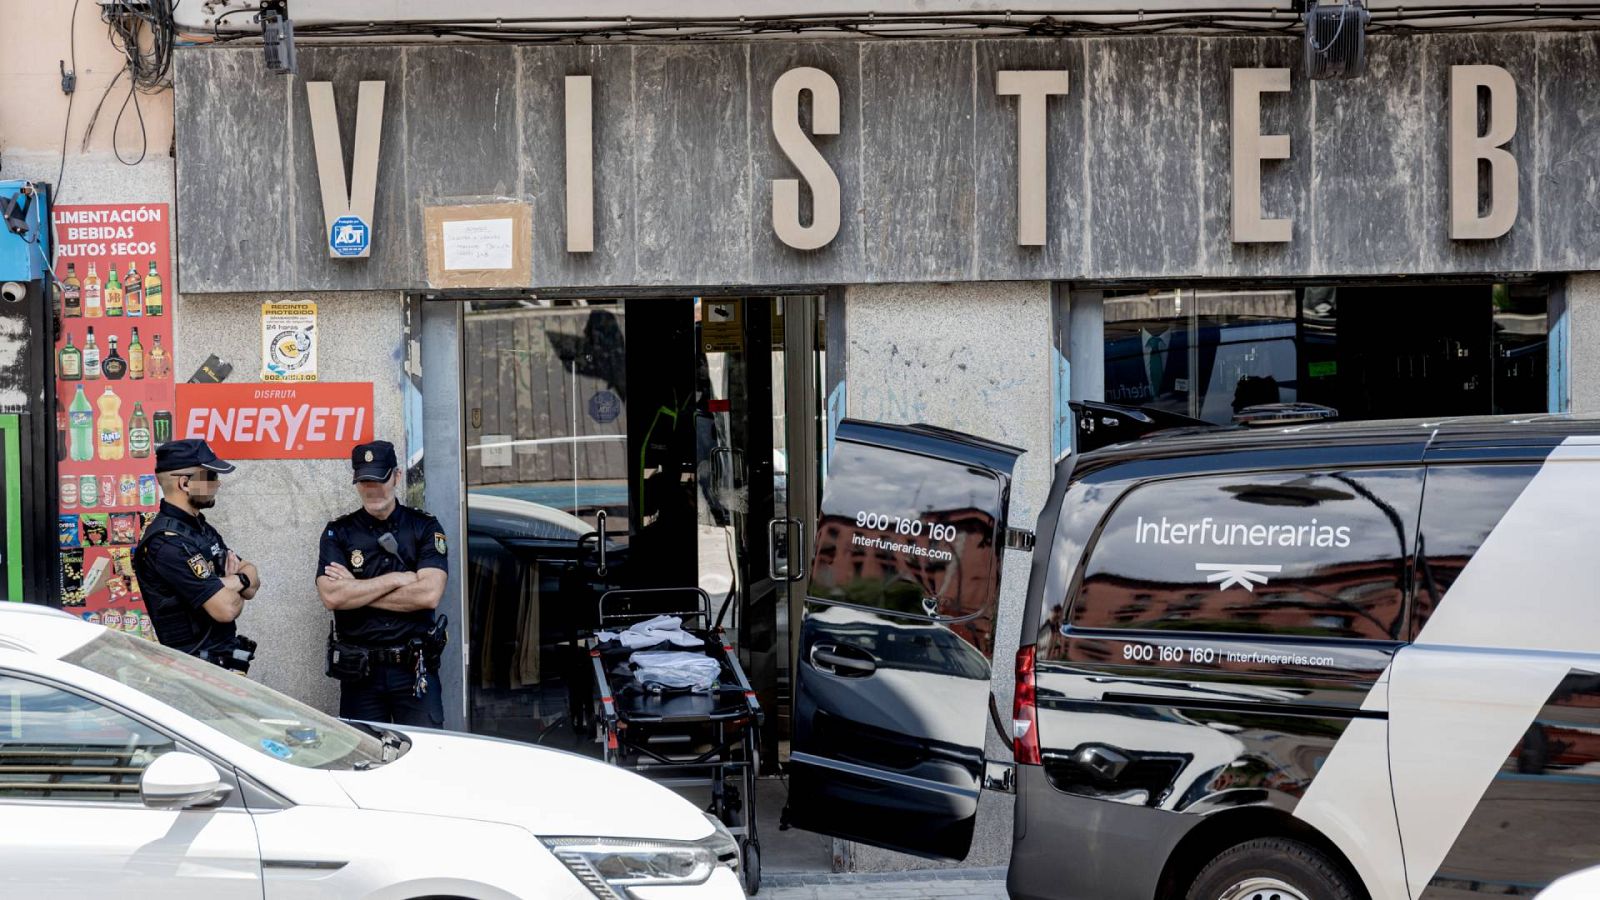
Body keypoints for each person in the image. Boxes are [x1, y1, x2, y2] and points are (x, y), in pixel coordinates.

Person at [316, 440, 449, 727]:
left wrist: (357, 589)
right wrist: (396, 579)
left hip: (413, 670)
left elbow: (428, 594)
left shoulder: (424, 526)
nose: (372, 488)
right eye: (365, 481)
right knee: (364, 752)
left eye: (379, 479)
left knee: (425, 750)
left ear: (397, 476)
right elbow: (332, 597)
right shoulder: (338, 532)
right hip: (360, 673)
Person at [133, 438, 262, 672]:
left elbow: (253, 578)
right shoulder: (169, 543)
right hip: (193, 674)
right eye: (210, 476)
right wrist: (236, 583)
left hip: (218, 670)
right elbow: (227, 609)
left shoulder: (199, 528)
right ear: (184, 483)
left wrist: (233, 582)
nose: (218, 483)